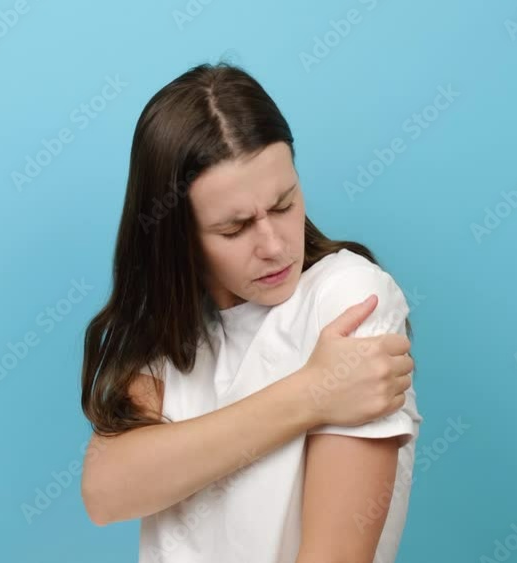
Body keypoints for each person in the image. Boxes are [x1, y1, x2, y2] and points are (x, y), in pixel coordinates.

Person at [79, 62, 422, 563]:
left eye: (284, 205)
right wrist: (311, 393)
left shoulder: (348, 298)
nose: (274, 245)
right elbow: (106, 493)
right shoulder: (171, 335)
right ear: (179, 239)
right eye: (235, 228)